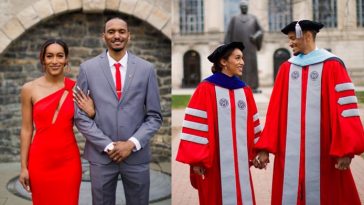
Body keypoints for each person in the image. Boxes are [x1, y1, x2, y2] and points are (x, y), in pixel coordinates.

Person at [254, 20, 364, 205]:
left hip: (324, 153)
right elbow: (275, 113)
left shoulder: (333, 65)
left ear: (306, 36)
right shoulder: (286, 69)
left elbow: (345, 111)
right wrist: (265, 149)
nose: (290, 43)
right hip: (289, 155)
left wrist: (346, 150)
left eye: (292, 38)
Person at [74, 17, 162, 205]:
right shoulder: (87, 69)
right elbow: (80, 116)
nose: (117, 36)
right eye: (111, 31)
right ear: (103, 36)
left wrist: (131, 144)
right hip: (101, 156)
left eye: (121, 31)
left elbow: (154, 117)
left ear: (129, 36)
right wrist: (108, 145)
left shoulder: (146, 69)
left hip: (136, 155)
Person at [176, 42, 262, 205]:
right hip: (214, 165)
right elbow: (196, 128)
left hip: (240, 164)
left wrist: (258, 152)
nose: (242, 62)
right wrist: (197, 160)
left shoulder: (244, 90)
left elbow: (253, 125)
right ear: (223, 61)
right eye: (237, 58)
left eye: (242, 58)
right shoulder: (206, 89)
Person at [18, 39, 95, 205]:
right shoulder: (29, 89)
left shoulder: (77, 89)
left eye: (60, 56)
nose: (54, 61)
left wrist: (92, 112)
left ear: (66, 60)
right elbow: (26, 130)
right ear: (43, 59)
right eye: (49, 56)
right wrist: (24, 167)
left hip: (68, 162)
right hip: (40, 161)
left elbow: (90, 125)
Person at [224, 0, 263, 93]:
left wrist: (255, 36)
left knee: (252, 66)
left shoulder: (253, 18)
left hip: (251, 47)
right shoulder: (234, 19)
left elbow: (260, 31)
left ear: (248, 7)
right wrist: (226, 48)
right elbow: (229, 33)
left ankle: (253, 86)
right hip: (237, 48)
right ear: (240, 8)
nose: (244, 8)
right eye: (243, 6)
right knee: (237, 65)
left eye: (246, 6)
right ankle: (237, 84)